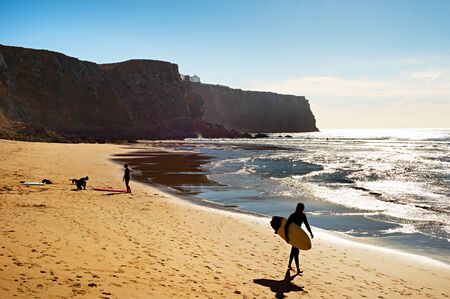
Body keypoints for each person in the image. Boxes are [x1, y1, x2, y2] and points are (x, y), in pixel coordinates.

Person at [284, 203, 313, 274]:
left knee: (293, 251)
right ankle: (297, 269)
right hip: (293, 235)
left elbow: (306, 224)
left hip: (297, 236)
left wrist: (310, 232)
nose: (302, 210)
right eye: (301, 208)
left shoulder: (303, 215)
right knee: (296, 252)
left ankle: (290, 265)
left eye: (303, 209)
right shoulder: (293, 216)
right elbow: (286, 226)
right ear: (298, 208)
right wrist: (287, 237)